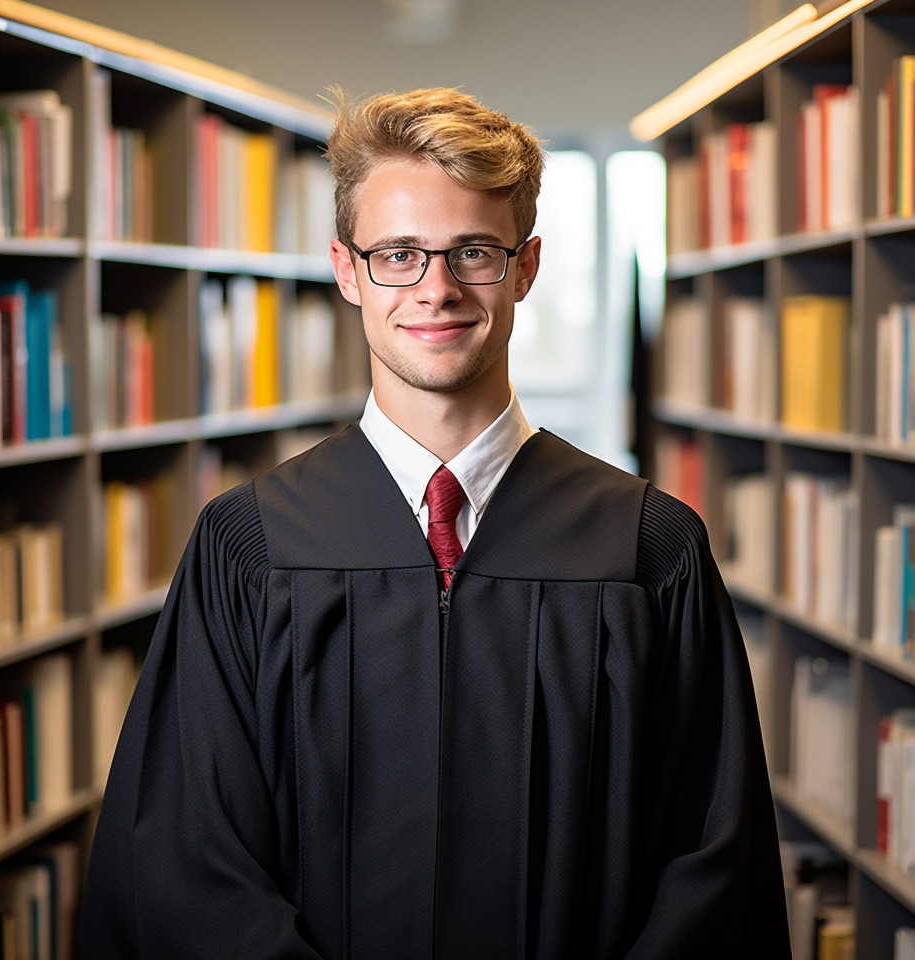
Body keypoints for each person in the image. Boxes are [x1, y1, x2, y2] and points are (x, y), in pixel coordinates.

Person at [79, 87, 792, 959]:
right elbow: (189, 857)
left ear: (526, 267)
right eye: (399, 255)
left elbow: (710, 867)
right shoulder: (250, 548)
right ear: (347, 270)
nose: (437, 290)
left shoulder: (647, 549)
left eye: (474, 253)